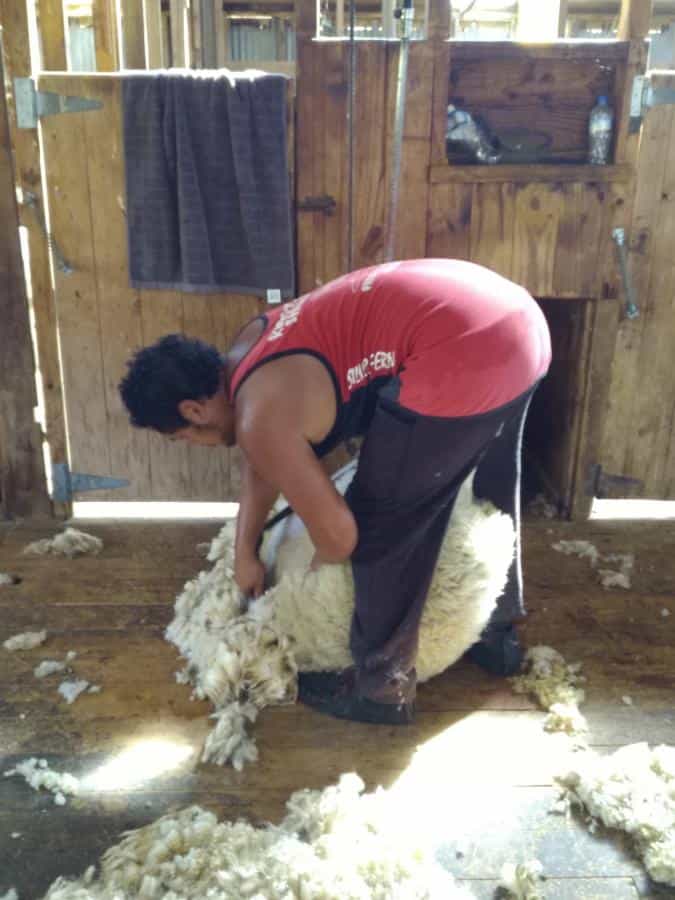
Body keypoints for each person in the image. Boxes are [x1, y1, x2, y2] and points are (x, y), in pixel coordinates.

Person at [119, 259, 552, 725]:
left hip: (464, 353)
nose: (192, 444)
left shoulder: (258, 415)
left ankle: (381, 688)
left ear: (193, 411)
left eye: (182, 437)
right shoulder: (251, 343)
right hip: (514, 321)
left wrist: (312, 579)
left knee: (382, 520)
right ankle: (496, 634)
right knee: (488, 480)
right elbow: (262, 459)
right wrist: (245, 550)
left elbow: (339, 536)